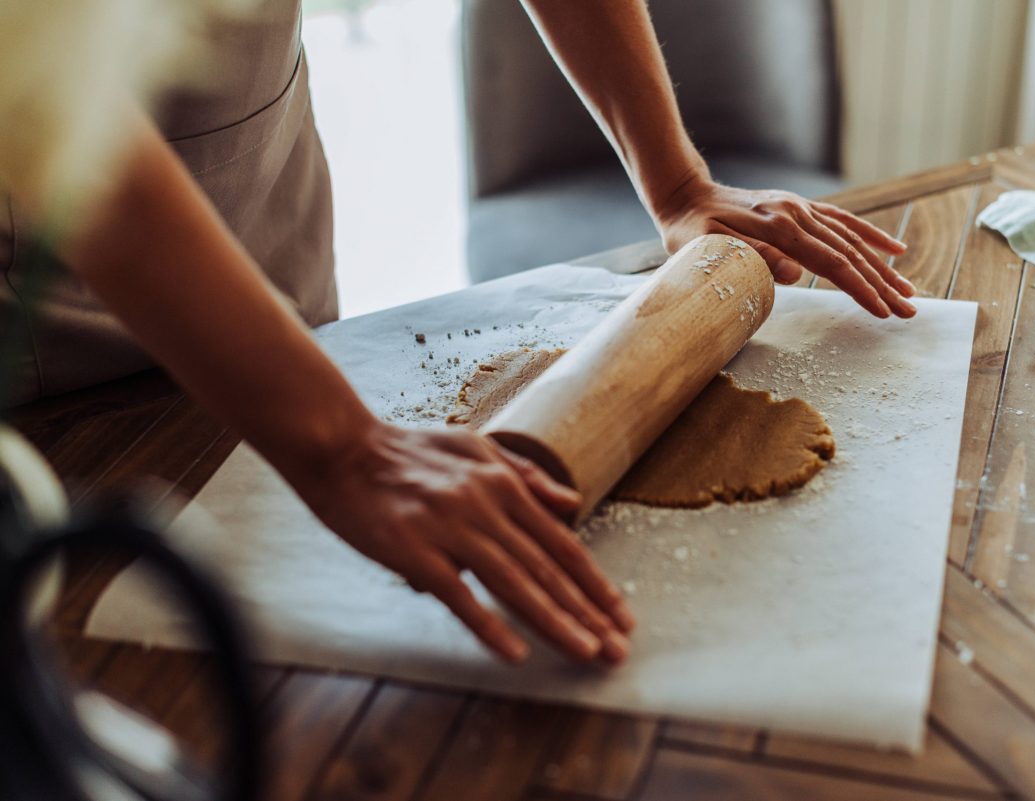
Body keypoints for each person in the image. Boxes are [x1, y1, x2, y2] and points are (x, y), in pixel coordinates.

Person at [1, 0, 914, 665]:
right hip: (57, 364)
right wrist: (342, 448)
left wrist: (675, 180)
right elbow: (46, 109)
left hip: (266, 238)